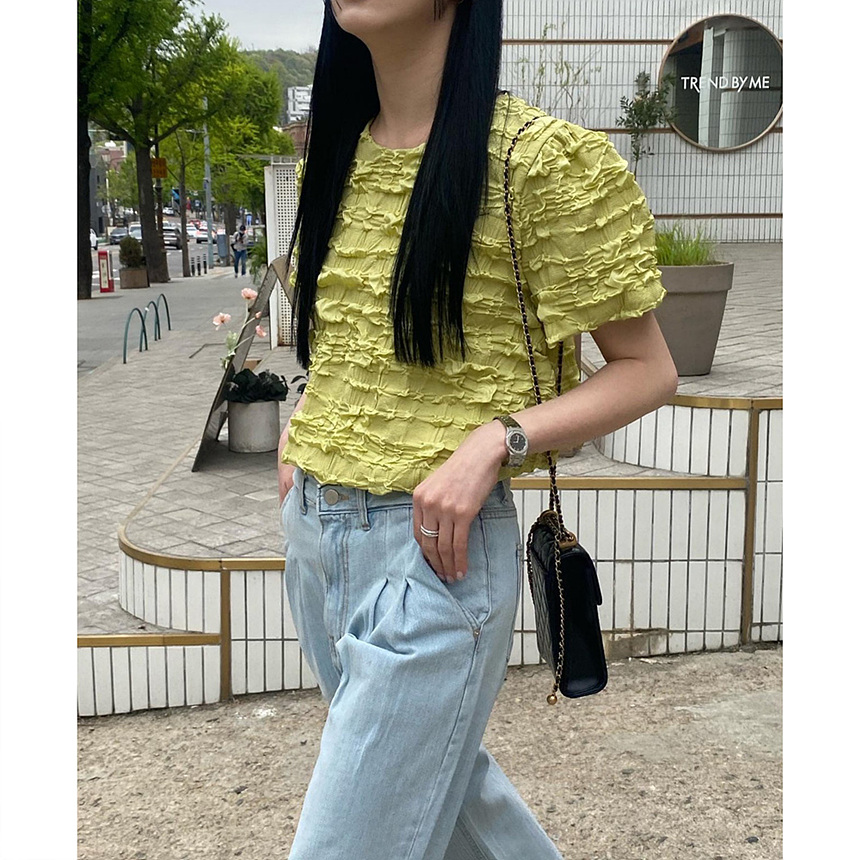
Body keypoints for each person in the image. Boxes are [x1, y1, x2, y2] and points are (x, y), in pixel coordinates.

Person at [277, 2, 678, 858]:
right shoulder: (337, 156)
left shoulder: (537, 161)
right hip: (316, 542)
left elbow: (649, 370)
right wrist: (308, 422)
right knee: (458, 812)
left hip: (436, 561)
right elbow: (355, 339)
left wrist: (497, 439)